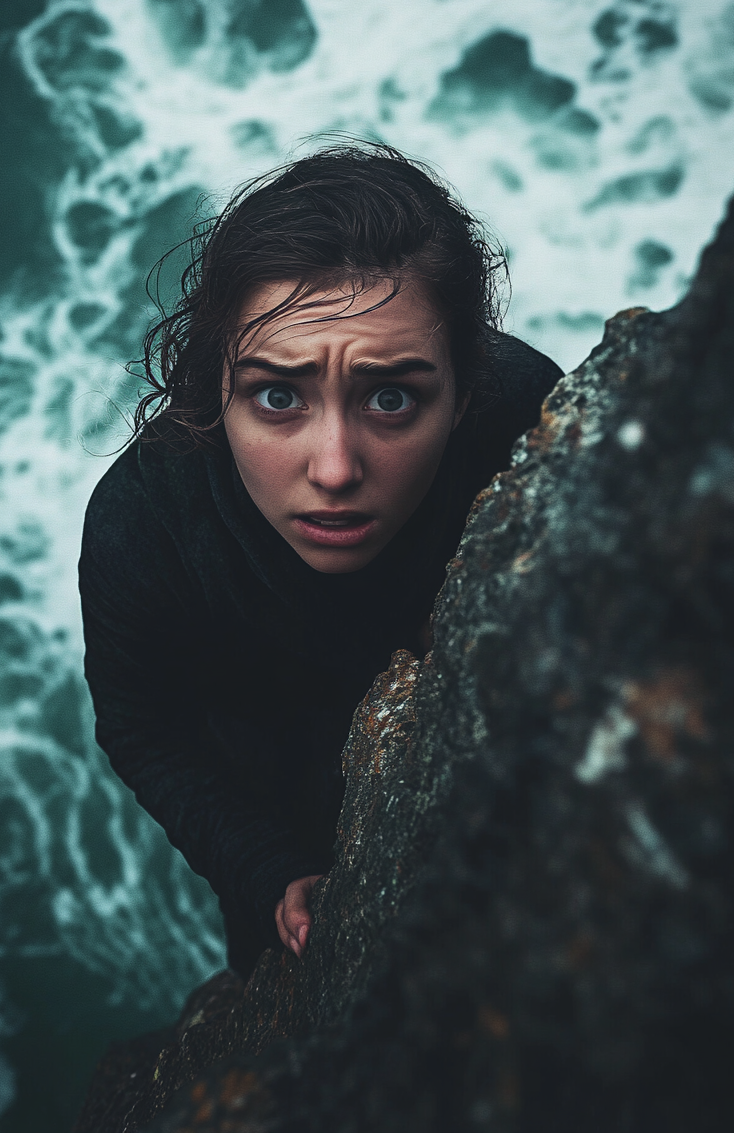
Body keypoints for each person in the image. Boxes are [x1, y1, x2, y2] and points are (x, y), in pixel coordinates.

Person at [78, 143, 562, 979]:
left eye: (391, 397)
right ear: (213, 383)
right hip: (272, 805)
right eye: (277, 396)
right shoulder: (142, 528)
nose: (334, 469)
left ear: (465, 389)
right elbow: (142, 727)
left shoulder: (525, 415)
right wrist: (265, 870)